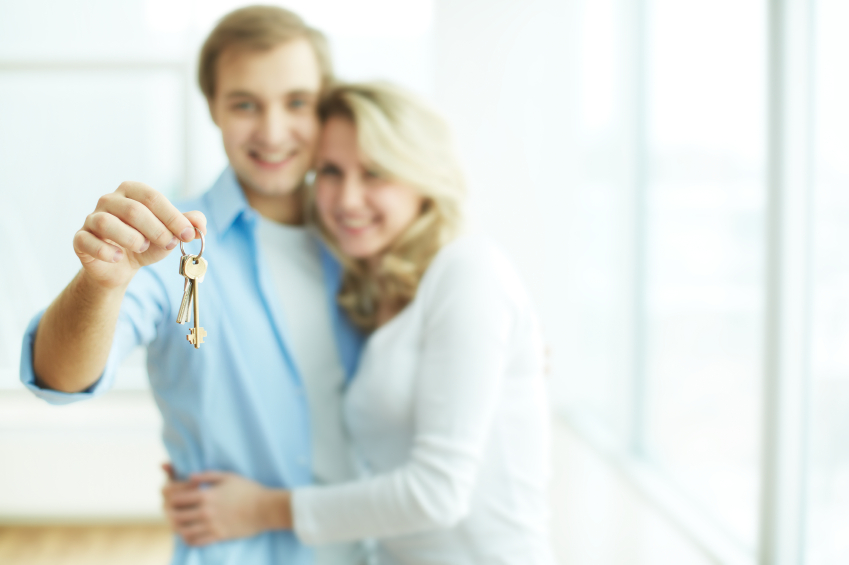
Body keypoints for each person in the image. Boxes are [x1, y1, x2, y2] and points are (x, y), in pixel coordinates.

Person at [20, 6, 367, 565]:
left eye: (297, 102)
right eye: (245, 104)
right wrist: (100, 285)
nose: (273, 131)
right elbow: (59, 378)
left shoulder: (367, 243)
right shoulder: (168, 246)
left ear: (324, 104)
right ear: (212, 107)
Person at [162, 82, 557, 564]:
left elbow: (438, 493)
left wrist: (261, 509)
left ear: (423, 178)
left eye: (375, 173)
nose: (348, 199)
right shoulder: (372, 300)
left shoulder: (469, 269)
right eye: (330, 171)